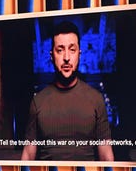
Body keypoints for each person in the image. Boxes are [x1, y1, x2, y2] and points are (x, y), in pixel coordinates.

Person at [21, 20, 114, 162]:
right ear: (52, 56)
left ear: (79, 54)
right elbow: (27, 155)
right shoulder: (38, 101)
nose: (66, 58)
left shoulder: (96, 99)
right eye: (60, 50)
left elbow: (107, 156)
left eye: (72, 49)